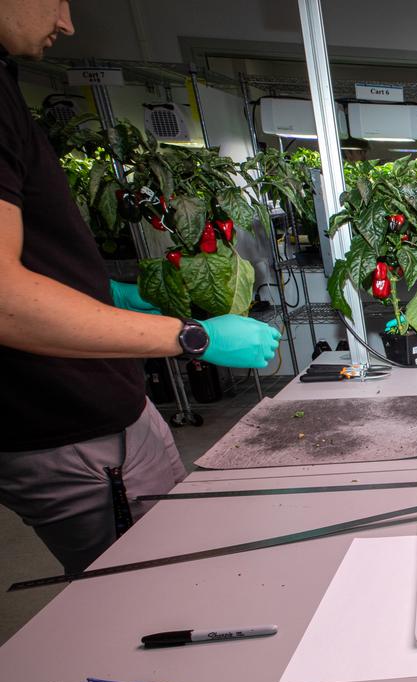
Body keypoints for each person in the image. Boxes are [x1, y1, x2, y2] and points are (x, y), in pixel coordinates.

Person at [0, 0, 281, 573]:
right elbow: (5, 302)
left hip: (109, 417)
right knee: (150, 588)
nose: (67, 21)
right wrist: (192, 336)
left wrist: (112, 298)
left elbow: (31, 264)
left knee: (181, 558)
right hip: (74, 435)